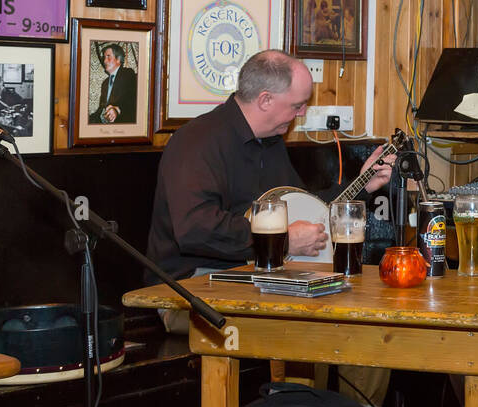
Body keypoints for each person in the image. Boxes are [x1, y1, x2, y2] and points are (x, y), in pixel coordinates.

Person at [145, 50, 394, 284]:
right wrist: (282, 241)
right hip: (193, 281)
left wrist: (363, 184)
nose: (302, 113)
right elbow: (196, 230)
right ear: (265, 100)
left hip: (259, 274)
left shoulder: (271, 142)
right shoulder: (197, 142)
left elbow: (304, 210)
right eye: (297, 106)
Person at [90, 43, 139, 124]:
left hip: (122, 124)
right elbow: (101, 109)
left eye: (108, 56)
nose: (105, 61)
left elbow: (132, 99)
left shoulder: (128, 74)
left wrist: (117, 110)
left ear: (118, 59)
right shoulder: (105, 83)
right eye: (104, 57)